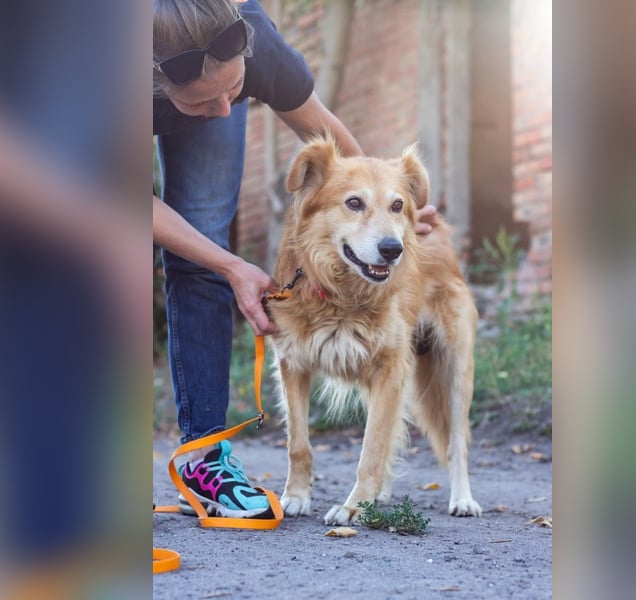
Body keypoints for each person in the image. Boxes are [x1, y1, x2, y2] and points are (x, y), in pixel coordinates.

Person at [152, 0, 438, 518]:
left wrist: (387, 205)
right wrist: (232, 266)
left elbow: (336, 148)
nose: (224, 111)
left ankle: (203, 457)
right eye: (203, 101)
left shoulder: (254, 40)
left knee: (202, 240)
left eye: (235, 90)